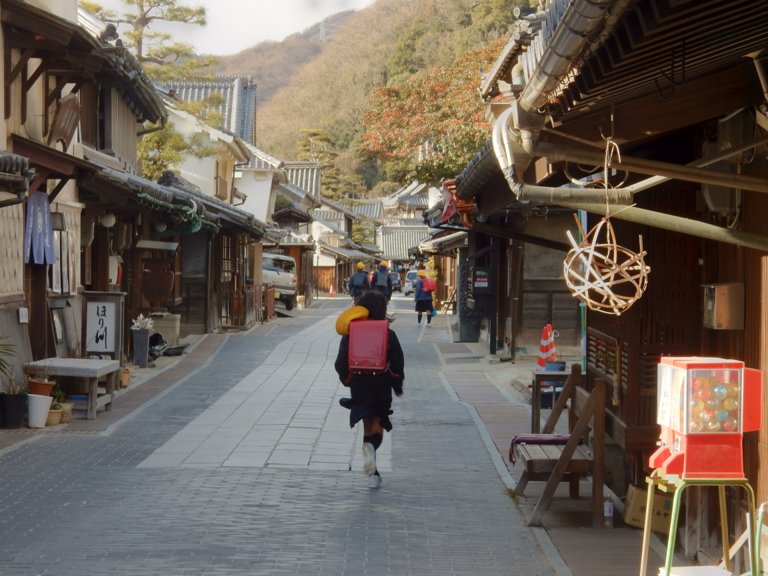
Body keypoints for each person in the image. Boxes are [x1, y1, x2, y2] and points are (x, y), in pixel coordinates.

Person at [335, 290, 404, 489]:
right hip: (381, 384)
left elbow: (340, 363)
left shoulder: (351, 333)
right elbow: (398, 362)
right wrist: (397, 384)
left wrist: (349, 379)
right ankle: (371, 456)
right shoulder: (388, 334)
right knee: (378, 424)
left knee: (367, 425)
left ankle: (372, 472)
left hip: (359, 385)